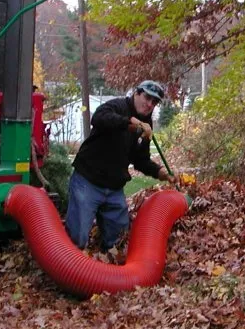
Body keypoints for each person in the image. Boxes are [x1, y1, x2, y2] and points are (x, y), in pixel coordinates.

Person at [65, 80, 176, 251]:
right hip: (87, 182)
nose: (149, 104)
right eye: (147, 97)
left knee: (118, 242)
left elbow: (141, 160)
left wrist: (160, 172)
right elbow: (99, 118)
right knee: (77, 239)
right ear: (136, 93)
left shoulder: (147, 125)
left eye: (154, 102)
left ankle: (109, 272)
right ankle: (70, 273)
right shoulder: (116, 106)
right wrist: (131, 123)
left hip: (114, 190)